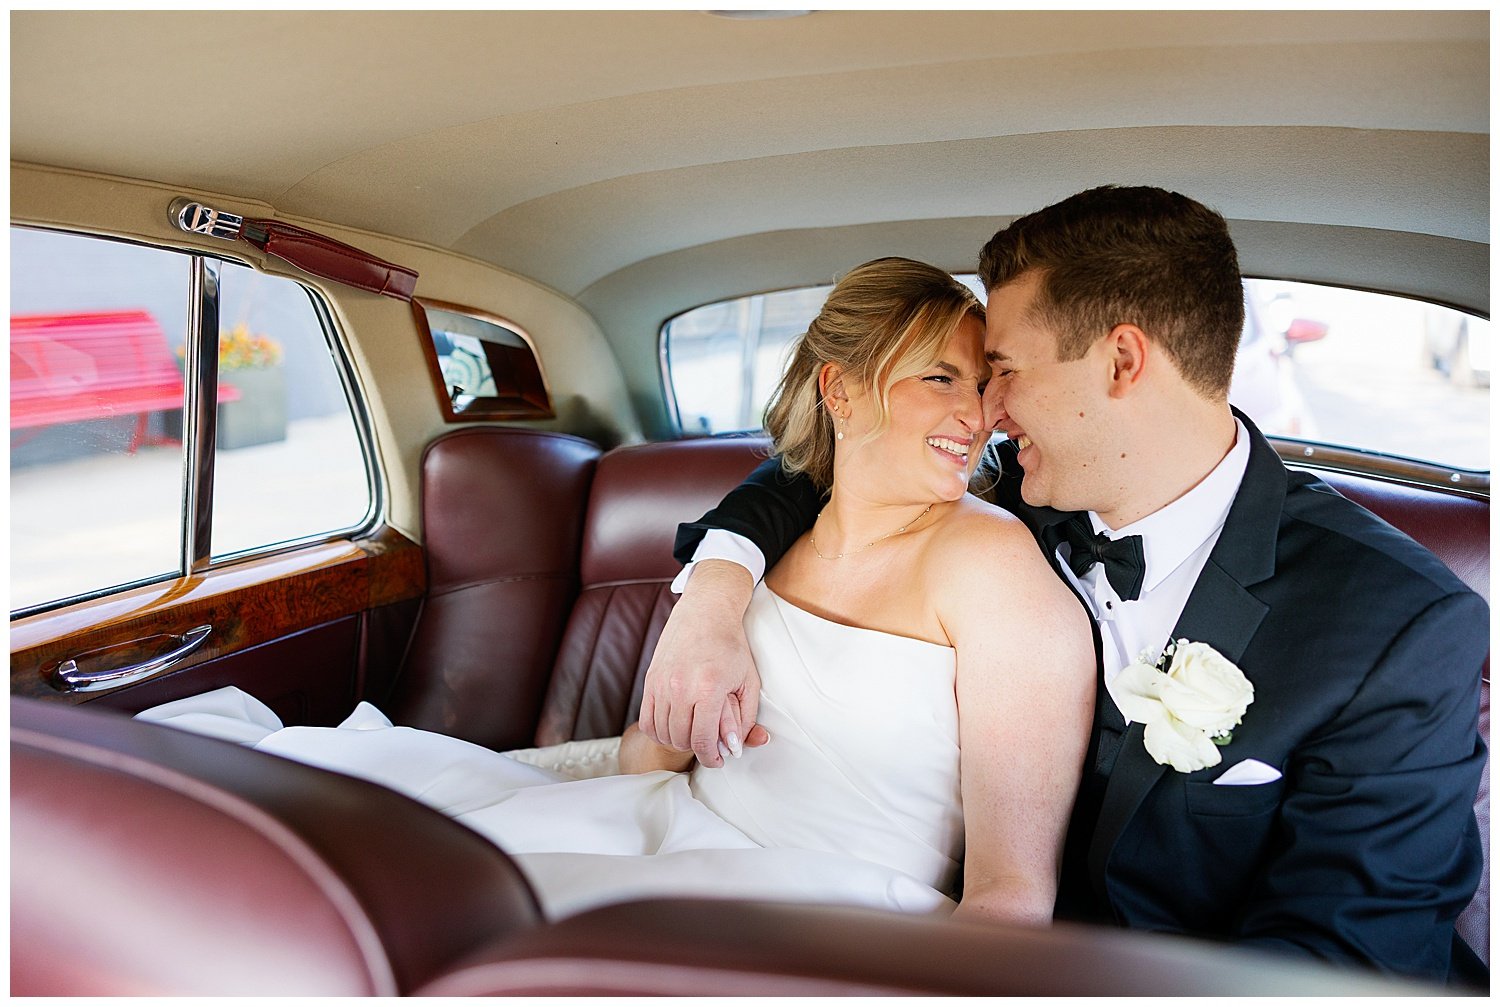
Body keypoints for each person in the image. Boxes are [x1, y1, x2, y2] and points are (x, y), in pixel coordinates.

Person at [644, 186, 1487, 981]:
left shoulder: (1399, 624)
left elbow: (1345, 961)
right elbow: (823, 467)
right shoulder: (1022, 487)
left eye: (1005, 370)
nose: (988, 413)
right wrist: (713, 596)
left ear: (1121, 361)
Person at [136, 258, 1095, 927]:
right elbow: (650, 752)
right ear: (841, 393)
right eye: (941, 378)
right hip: (661, 820)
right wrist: (672, 718)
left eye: (983, 384)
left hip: (826, 904)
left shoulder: (991, 566)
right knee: (337, 872)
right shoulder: (763, 547)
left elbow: (1011, 896)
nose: (978, 415)